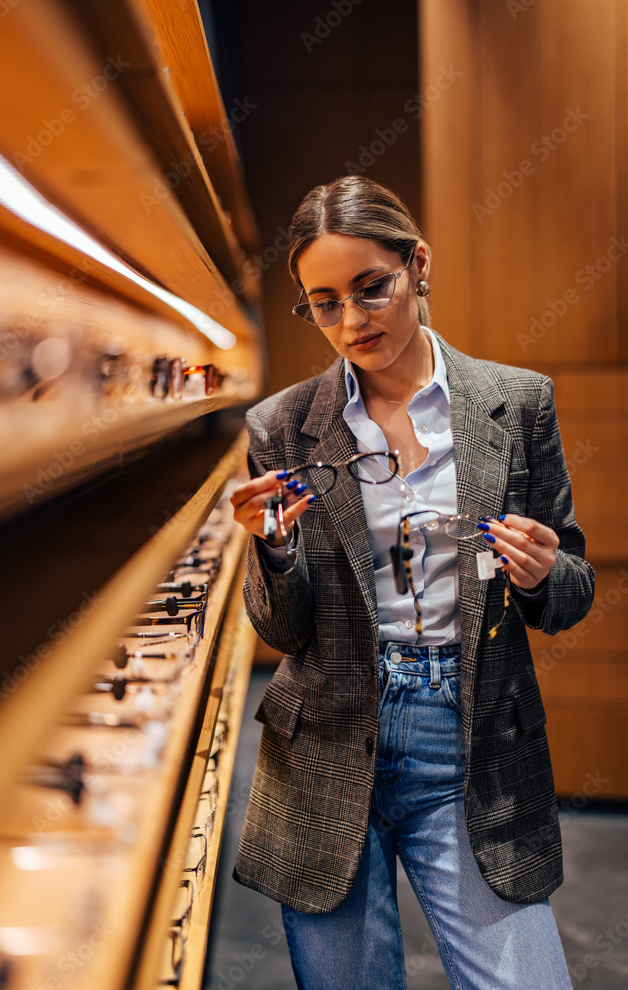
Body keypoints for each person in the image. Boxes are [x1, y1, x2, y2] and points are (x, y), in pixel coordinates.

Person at [230, 175, 594, 990]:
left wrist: (542, 572)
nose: (352, 321)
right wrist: (275, 553)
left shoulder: (514, 402)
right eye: (323, 303)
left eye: (371, 288)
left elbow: (571, 590)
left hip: (466, 738)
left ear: (417, 264)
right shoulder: (280, 427)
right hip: (324, 741)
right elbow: (281, 631)